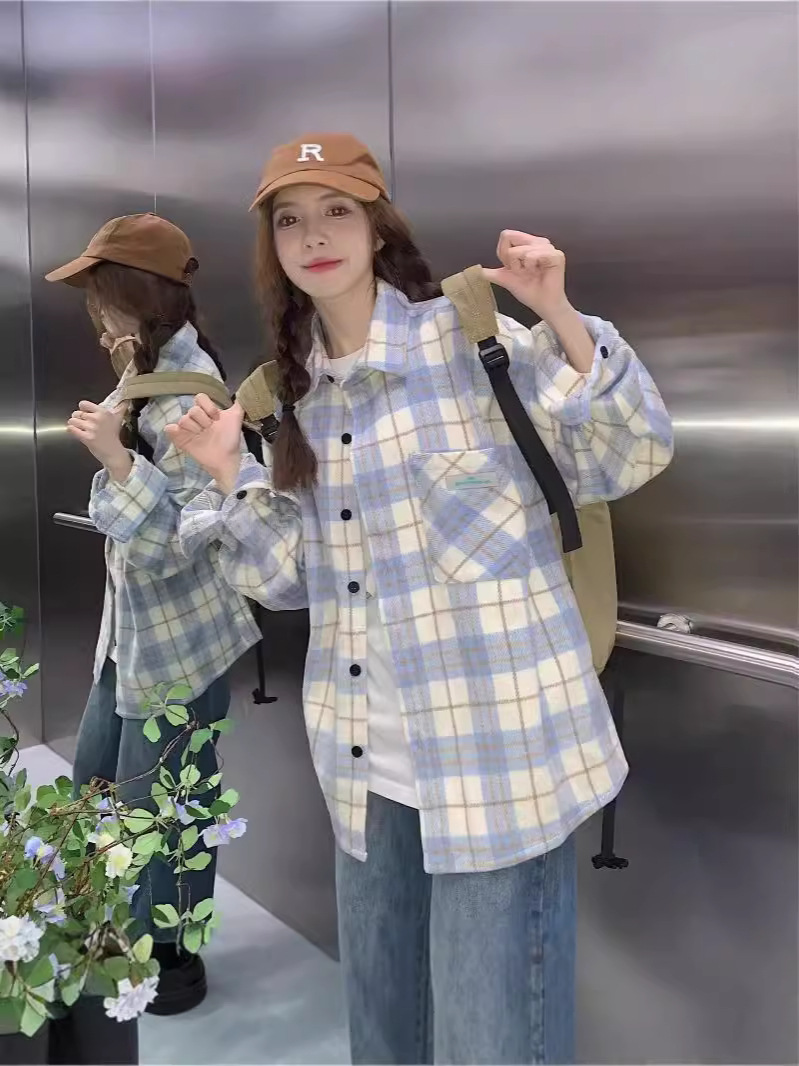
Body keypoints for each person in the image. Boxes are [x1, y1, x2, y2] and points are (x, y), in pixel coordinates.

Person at [168, 134, 674, 1063]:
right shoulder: (287, 394)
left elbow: (626, 455)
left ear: (377, 227)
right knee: (384, 1032)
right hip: (364, 767)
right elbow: (288, 582)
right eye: (290, 220)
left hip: (498, 763)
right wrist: (228, 474)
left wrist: (559, 314)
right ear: (273, 248)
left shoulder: (470, 338)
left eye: (337, 211)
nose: (314, 236)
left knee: (492, 1038)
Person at [44, 213, 262, 1016]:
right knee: (101, 788)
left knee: (166, 808)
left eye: (101, 295)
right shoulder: (146, 371)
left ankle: (165, 957)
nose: (95, 313)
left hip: (177, 647)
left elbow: (181, 541)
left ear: (138, 293)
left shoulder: (190, 391)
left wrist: (114, 459)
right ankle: (112, 932)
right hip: (132, 639)